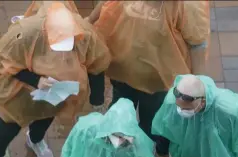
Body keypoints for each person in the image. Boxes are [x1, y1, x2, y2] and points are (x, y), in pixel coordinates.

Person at [0, 1, 110, 157]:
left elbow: (97, 65)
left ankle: (35, 139)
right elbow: (4, 62)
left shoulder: (84, 34)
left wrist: (97, 101)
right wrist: (35, 80)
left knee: (44, 117)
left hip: (54, 92)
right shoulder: (25, 33)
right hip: (19, 91)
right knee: (9, 123)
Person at [86, 0, 209, 141]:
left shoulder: (186, 5)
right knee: (119, 115)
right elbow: (106, 4)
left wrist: (197, 86)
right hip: (122, 72)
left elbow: (197, 44)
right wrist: (89, 21)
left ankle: (146, 149)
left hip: (158, 82)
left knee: (151, 122)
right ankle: (117, 148)